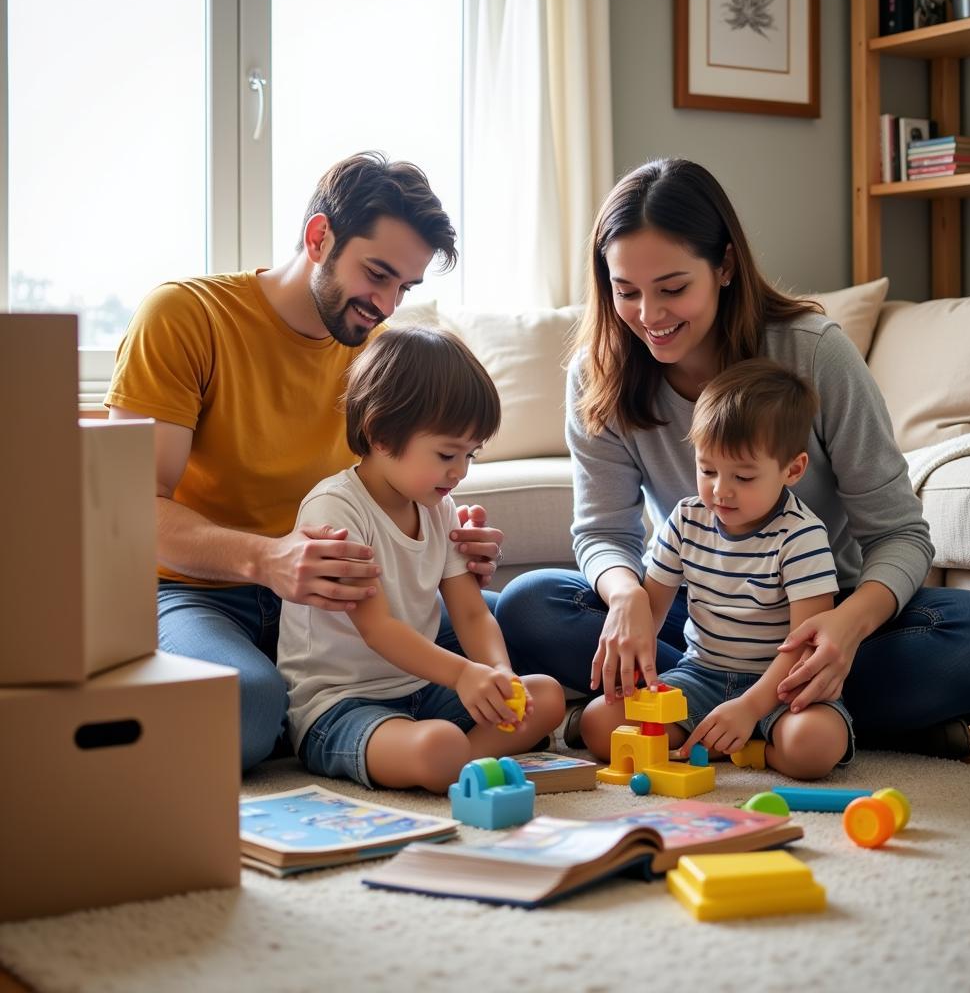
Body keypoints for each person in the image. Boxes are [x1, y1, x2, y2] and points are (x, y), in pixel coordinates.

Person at [496, 157, 970, 758]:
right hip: (699, 624)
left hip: (821, 612)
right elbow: (602, 534)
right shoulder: (599, 376)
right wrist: (626, 600)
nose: (649, 315)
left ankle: (764, 706)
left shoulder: (813, 352)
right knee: (532, 604)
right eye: (626, 291)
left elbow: (901, 536)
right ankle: (831, 717)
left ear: (723, 266)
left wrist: (845, 630)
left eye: (672, 289)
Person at [105, 152, 505, 772]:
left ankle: (346, 719)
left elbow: (392, 485)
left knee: (529, 627)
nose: (387, 304)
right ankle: (320, 720)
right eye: (377, 274)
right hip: (200, 592)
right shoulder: (187, 317)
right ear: (320, 237)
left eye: (404, 287)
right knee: (243, 710)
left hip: (335, 605)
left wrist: (439, 531)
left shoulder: (379, 355)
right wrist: (268, 558)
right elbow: (126, 514)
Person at [277, 327, 565, 792]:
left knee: (545, 696)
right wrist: (463, 674)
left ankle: (457, 767)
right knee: (437, 746)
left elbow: (470, 611)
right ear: (381, 434)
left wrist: (498, 674)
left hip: (420, 691)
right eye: (448, 453)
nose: (461, 471)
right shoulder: (336, 509)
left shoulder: (437, 506)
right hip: (342, 705)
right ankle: (455, 763)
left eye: (471, 454)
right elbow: (378, 629)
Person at [579, 359, 852, 779]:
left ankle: (753, 750)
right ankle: (718, 739)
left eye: (743, 477)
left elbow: (805, 647)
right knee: (599, 723)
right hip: (700, 674)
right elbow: (649, 612)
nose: (720, 490)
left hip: (779, 684)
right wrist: (637, 670)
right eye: (707, 470)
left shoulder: (802, 536)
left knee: (814, 747)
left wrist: (751, 707)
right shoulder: (687, 519)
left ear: (792, 470)